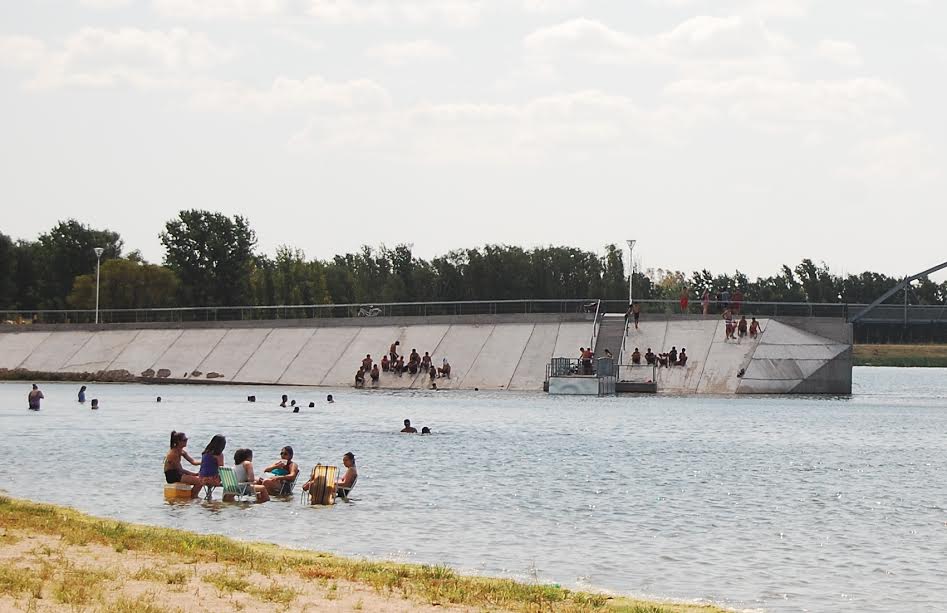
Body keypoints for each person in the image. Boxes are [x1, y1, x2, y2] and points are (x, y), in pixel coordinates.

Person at [164, 431, 202, 497]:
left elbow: (193, 462)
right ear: (178, 442)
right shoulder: (173, 454)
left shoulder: (182, 452)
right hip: (172, 475)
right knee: (200, 481)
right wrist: (194, 474)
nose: (186, 441)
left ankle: (192, 496)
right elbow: (180, 469)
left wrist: (203, 462)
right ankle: (193, 497)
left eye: (186, 439)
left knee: (200, 480)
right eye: (184, 440)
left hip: (178, 473)